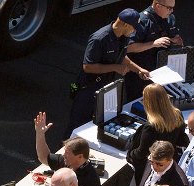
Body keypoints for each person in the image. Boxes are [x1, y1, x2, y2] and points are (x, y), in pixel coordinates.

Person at [64, 8, 150, 139]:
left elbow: (122, 56)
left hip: (106, 88)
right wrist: (115, 67)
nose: (135, 31)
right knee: (78, 125)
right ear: (125, 24)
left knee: (101, 123)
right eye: (134, 27)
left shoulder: (124, 36)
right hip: (88, 88)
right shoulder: (99, 38)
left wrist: (138, 69)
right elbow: (88, 67)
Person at [127, 84, 190, 186]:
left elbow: (142, 152)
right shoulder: (177, 115)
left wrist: (131, 154)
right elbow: (181, 138)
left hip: (153, 167)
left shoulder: (151, 127)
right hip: (169, 161)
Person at [124, 0, 183, 102]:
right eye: (169, 8)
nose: (172, 11)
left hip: (163, 70)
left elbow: (177, 38)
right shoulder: (142, 21)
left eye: (173, 8)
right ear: (158, 6)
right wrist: (153, 44)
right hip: (142, 73)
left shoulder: (170, 18)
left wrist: (173, 40)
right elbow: (128, 48)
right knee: (141, 104)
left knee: (162, 102)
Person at [34, 111, 101, 186]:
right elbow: (43, 157)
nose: (63, 155)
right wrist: (40, 134)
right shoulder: (66, 162)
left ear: (80, 157)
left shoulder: (89, 180)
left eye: (67, 153)